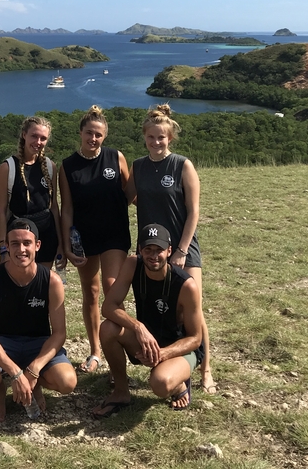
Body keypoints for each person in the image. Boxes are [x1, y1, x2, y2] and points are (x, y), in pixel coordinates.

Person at [125, 104, 216, 393]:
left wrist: (182, 250)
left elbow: (194, 211)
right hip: (151, 249)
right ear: (144, 137)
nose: (156, 142)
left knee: (193, 308)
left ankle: (205, 369)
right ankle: (170, 361)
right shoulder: (138, 166)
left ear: (170, 138)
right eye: (151, 137)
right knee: (158, 305)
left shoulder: (182, 165)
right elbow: (126, 198)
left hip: (182, 247)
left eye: (161, 137)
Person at [0, 218, 77, 422]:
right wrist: (15, 373)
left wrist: (34, 370)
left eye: (27, 243)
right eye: (15, 243)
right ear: (6, 246)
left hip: (38, 344)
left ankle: (34, 385)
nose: (21, 249)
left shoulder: (52, 281)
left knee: (67, 381)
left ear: (37, 245)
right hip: (2, 343)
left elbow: (59, 333)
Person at [92, 224, 204, 417]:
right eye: (148, 249)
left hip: (180, 348)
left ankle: (179, 383)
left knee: (160, 383)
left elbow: (195, 338)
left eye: (159, 250)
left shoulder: (186, 285)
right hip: (148, 338)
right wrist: (138, 327)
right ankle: (121, 392)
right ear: (140, 250)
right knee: (108, 328)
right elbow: (108, 307)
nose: (153, 256)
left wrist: (163, 354)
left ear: (169, 251)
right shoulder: (132, 264)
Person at [58, 105, 130, 375]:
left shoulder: (116, 157)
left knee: (112, 290)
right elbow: (67, 208)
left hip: (114, 234)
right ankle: (96, 351)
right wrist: (67, 245)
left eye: (98, 134)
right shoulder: (67, 166)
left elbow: (130, 193)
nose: (93, 138)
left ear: (105, 136)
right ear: (80, 133)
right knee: (91, 292)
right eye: (89, 133)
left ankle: (118, 351)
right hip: (84, 236)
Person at [0, 116, 62, 269]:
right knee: (20, 279)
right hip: (19, 234)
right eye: (34, 136)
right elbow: (1, 211)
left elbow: (54, 207)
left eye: (43, 138)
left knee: (43, 279)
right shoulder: (8, 167)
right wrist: (3, 248)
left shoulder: (50, 166)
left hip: (46, 233)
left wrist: (61, 244)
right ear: (24, 135)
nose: (38, 142)